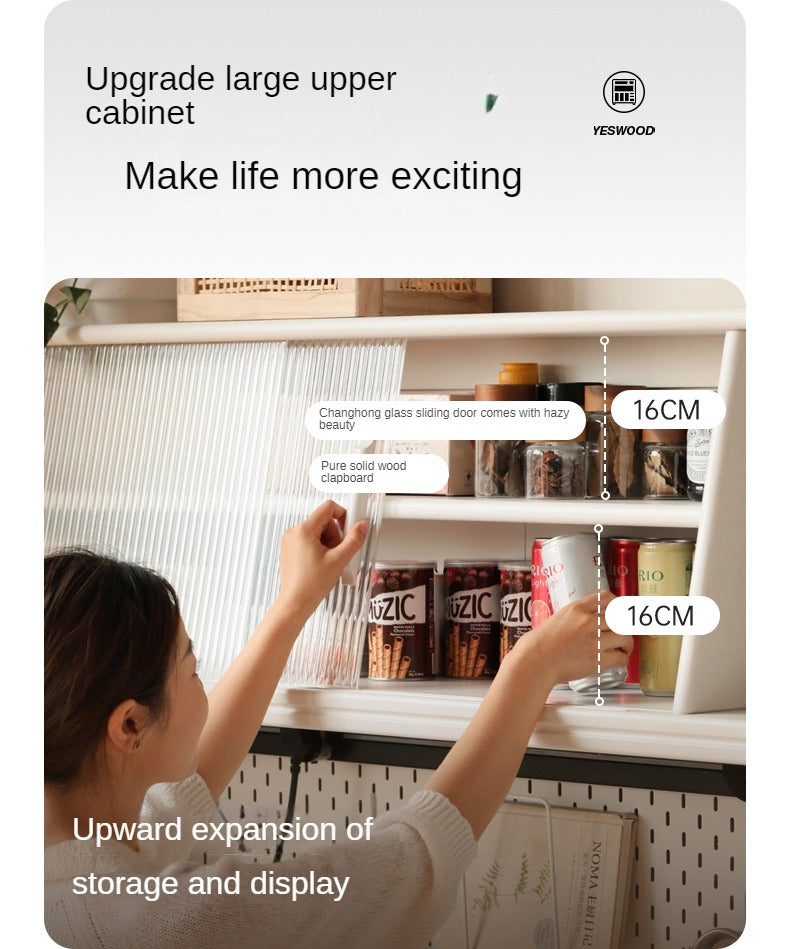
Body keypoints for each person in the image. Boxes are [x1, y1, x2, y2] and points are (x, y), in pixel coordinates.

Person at [45, 500, 631, 949]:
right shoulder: (172, 919)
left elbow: (177, 796)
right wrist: (532, 666)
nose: (203, 683)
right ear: (128, 727)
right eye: (193, 667)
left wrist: (293, 603)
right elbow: (409, 867)